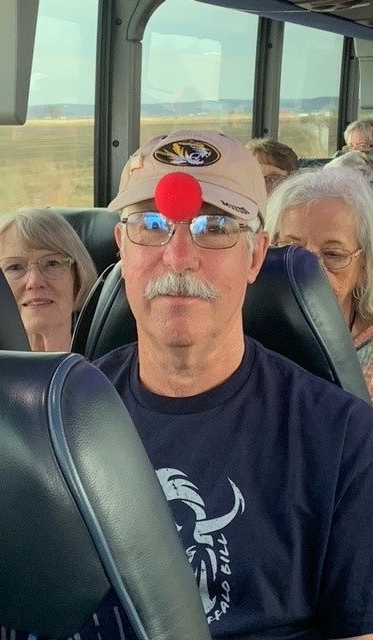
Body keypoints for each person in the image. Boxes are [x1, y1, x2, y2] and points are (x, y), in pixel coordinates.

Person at [91, 130, 373, 638]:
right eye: (151, 225)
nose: (178, 256)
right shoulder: (64, 417)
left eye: (215, 226)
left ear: (255, 257)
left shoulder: (343, 440)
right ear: (122, 251)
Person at [266, 165, 373, 398]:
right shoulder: (243, 332)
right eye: (293, 249)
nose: (310, 269)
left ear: (364, 268)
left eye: (333, 254)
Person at [0, 207, 97, 351]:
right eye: (15, 267)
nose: (34, 282)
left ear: (77, 277)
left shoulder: (114, 362)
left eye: (52, 264)